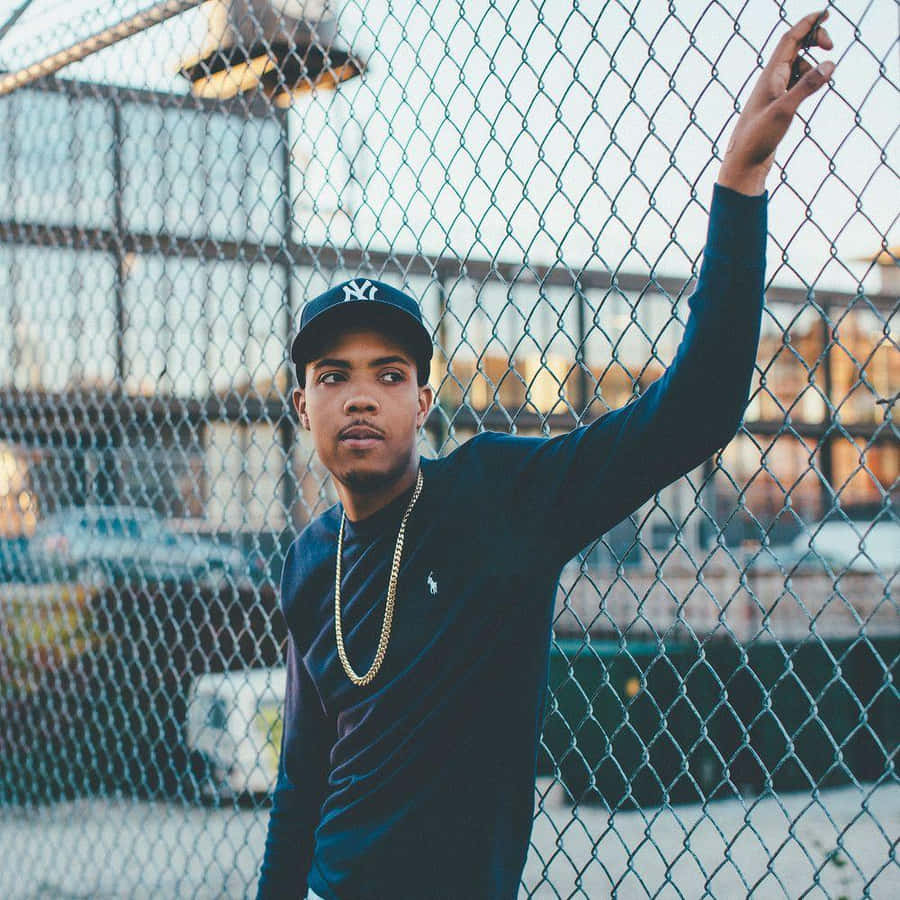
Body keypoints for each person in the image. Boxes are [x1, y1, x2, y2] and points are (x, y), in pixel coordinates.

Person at [256, 11, 836, 899]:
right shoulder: (307, 564)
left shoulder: (497, 497)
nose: (361, 394)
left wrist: (742, 175)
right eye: (335, 375)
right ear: (304, 404)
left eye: (390, 372)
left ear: (423, 398)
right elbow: (302, 783)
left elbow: (695, 410)